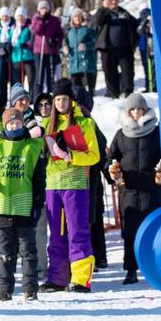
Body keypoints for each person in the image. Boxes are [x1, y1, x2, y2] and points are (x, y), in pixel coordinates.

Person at [41, 78, 100, 292]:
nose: (60, 103)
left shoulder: (85, 123)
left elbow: (94, 156)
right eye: (57, 99)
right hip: (52, 185)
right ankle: (57, 278)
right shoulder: (48, 124)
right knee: (56, 233)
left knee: (77, 232)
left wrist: (71, 156)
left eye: (64, 99)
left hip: (75, 183)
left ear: (71, 100)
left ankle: (81, 278)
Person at [0, 106, 47, 301]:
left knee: (28, 252)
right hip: (2, 207)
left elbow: (39, 179)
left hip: (25, 206)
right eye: (10, 123)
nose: (14, 125)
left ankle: (30, 289)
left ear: (23, 123)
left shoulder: (33, 146)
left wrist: (38, 203)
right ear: (5, 125)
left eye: (17, 122)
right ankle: (4, 290)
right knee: (4, 253)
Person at [107, 93, 161, 285]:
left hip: (152, 190)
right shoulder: (121, 134)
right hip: (129, 191)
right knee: (129, 232)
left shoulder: (156, 132)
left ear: (145, 110)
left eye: (140, 109)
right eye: (133, 109)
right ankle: (130, 269)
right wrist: (113, 171)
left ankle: (156, 267)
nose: (137, 112)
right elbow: (110, 157)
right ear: (128, 112)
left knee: (154, 229)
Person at [92, 0, 138, 98]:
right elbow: (97, 22)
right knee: (109, 71)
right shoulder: (104, 13)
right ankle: (113, 92)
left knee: (128, 72)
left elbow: (135, 24)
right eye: (110, 0)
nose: (113, 2)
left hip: (125, 48)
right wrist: (103, 8)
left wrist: (134, 43)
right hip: (107, 49)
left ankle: (128, 92)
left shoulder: (124, 13)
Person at [64, 7, 98, 94]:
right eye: (75, 17)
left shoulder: (87, 30)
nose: (77, 19)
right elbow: (65, 43)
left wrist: (87, 46)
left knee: (88, 85)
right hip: (74, 62)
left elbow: (95, 43)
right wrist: (65, 48)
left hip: (86, 62)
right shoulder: (69, 31)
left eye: (79, 17)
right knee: (75, 87)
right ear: (72, 19)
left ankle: (91, 94)